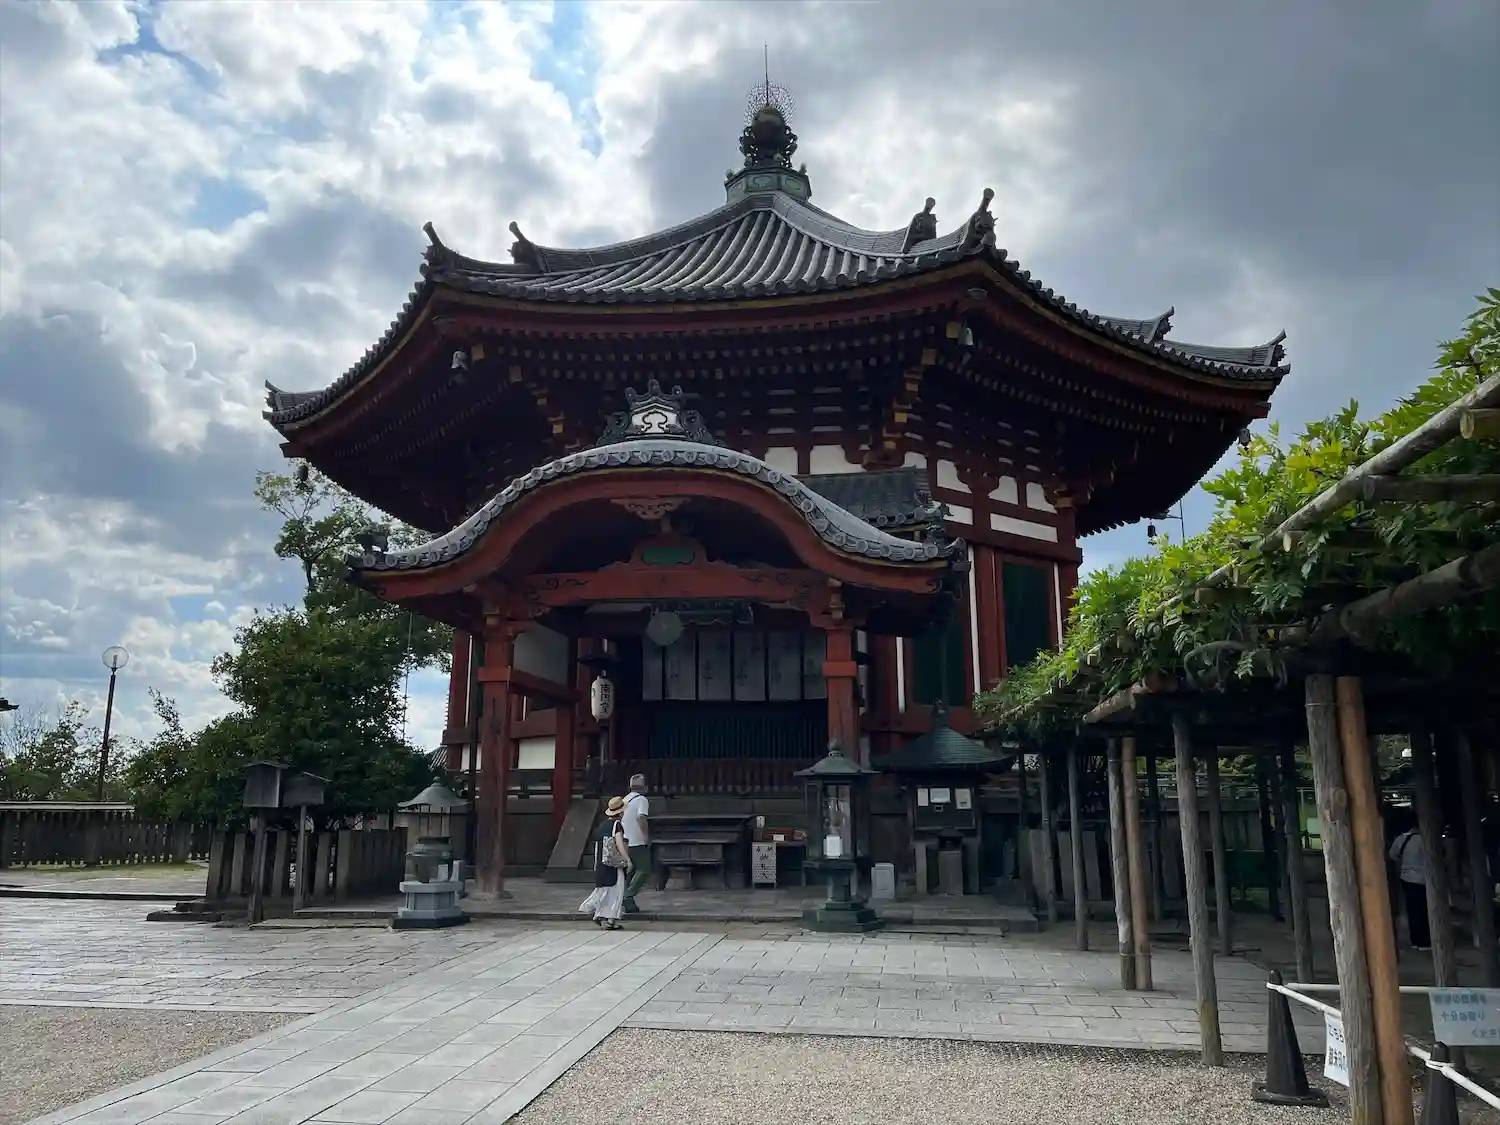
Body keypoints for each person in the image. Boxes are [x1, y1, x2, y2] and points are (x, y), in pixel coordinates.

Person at [578, 796, 630, 930]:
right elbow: (619, 843)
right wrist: (627, 859)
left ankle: (599, 913)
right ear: (621, 812)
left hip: (602, 863)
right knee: (616, 891)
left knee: (604, 890)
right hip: (614, 863)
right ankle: (607, 918)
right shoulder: (617, 825)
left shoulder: (602, 825)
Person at [1390, 823, 1431, 951]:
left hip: (1407, 879)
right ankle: (1425, 941)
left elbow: (1392, 855)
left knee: (1413, 910)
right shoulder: (1427, 840)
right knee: (1425, 911)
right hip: (1425, 880)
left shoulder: (1402, 839)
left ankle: (1416, 941)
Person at [621, 773, 651, 915]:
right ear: (644, 788)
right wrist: (646, 836)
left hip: (624, 841)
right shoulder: (641, 800)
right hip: (637, 841)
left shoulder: (625, 800)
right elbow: (641, 817)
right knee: (644, 869)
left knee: (630, 872)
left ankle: (628, 903)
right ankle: (627, 895)